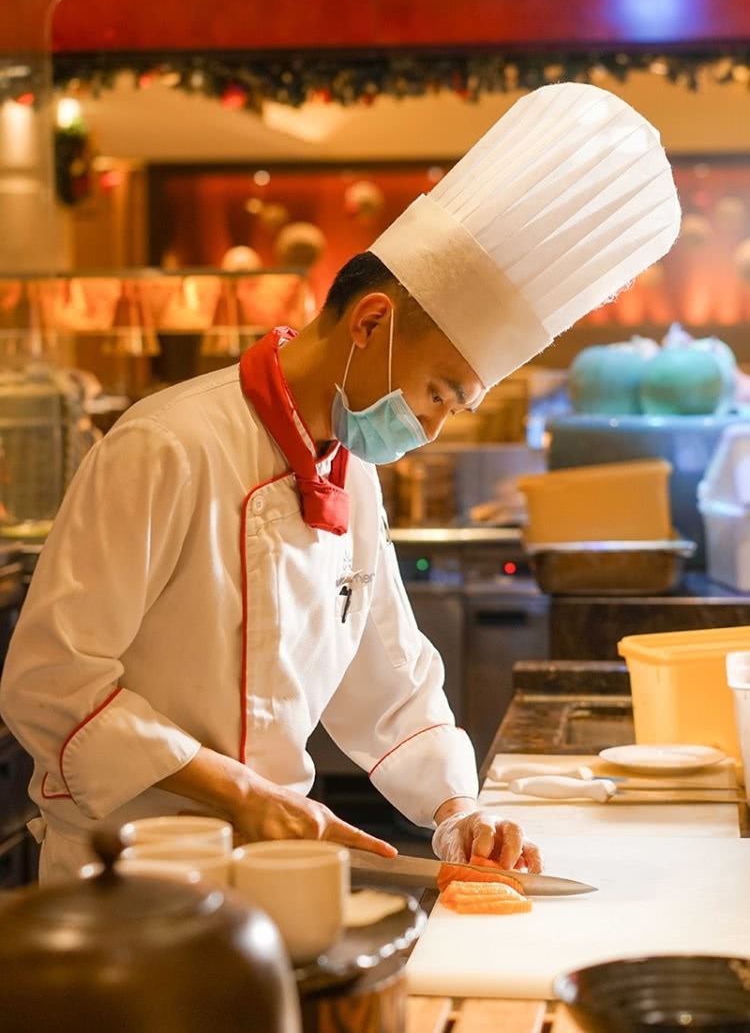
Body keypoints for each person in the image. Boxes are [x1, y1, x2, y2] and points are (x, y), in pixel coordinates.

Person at [0, 83, 681, 883]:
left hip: (273, 872)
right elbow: (51, 685)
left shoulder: (349, 474)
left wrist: (457, 809)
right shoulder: (165, 445)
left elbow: (388, 678)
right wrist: (236, 791)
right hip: (125, 880)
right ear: (370, 323)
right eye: (438, 393)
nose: (429, 427)